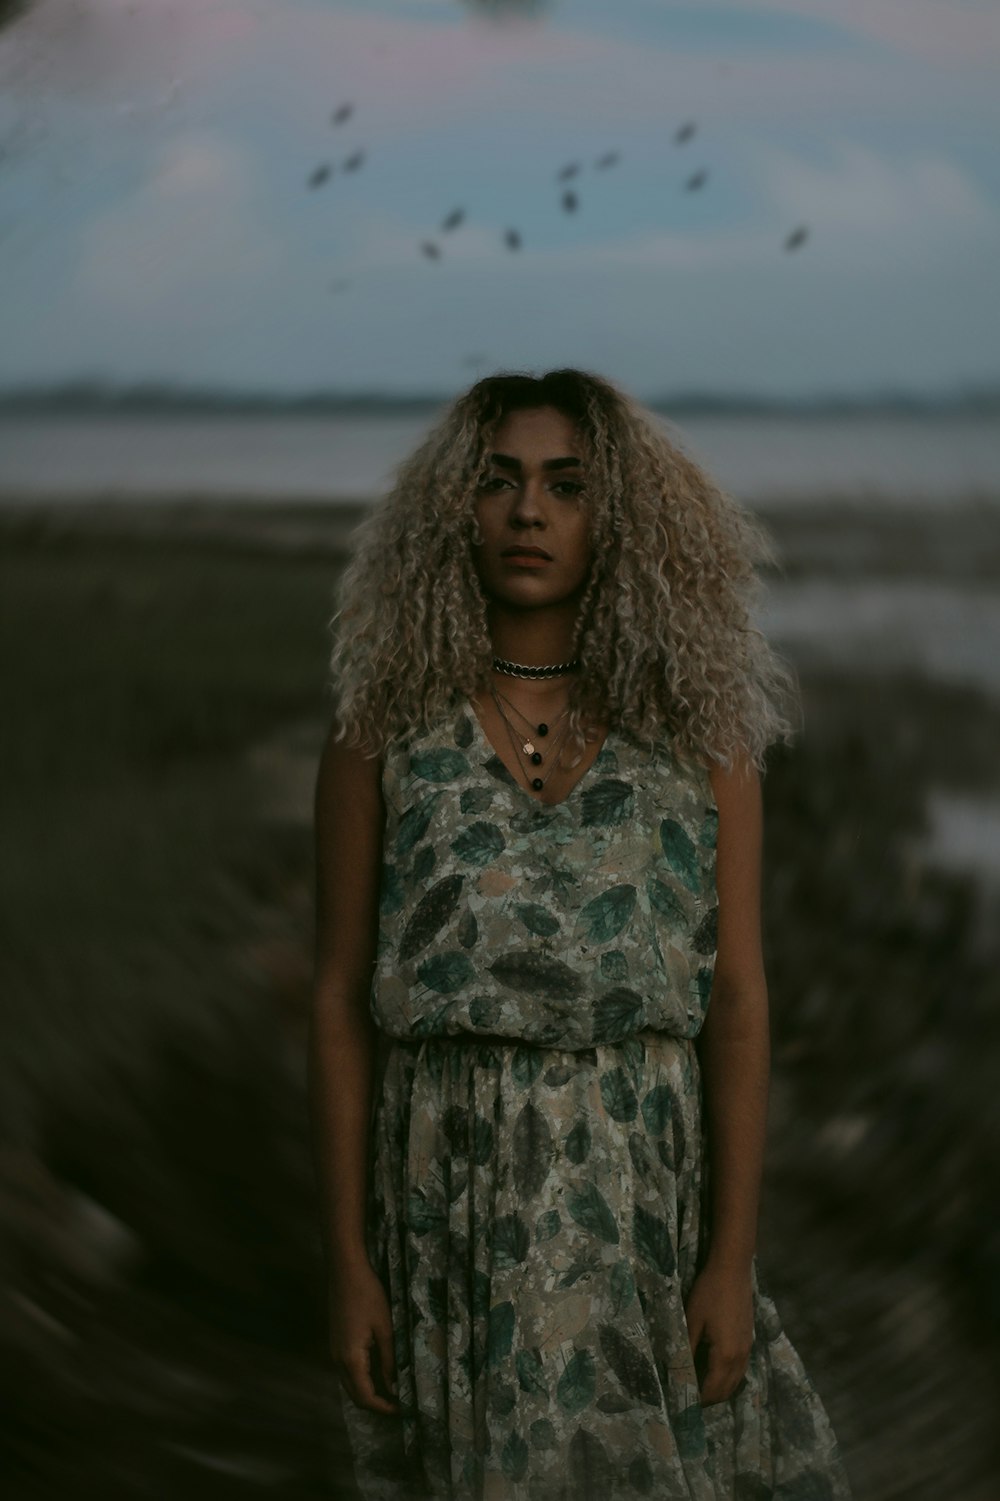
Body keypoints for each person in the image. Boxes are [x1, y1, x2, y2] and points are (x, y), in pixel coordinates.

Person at [308, 369, 853, 1500]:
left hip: (639, 1214)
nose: (528, 513)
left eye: (567, 486)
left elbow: (739, 1002)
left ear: (623, 519)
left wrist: (729, 1263)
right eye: (498, 483)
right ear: (452, 509)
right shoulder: (381, 736)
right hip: (449, 1219)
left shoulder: (698, 736)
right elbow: (337, 1000)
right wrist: (353, 1265)